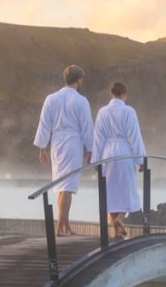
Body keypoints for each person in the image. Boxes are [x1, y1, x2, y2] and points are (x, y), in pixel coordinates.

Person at [33, 65, 94, 237]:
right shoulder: (81, 101)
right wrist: (91, 149)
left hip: (57, 143)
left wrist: (42, 148)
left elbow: (44, 124)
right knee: (67, 186)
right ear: (78, 80)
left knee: (62, 185)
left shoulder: (51, 98)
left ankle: (66, 226)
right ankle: (60, 227)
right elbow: (87, 127)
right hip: (73, 143)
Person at [92, 82, 146, 240]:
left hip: (107, 153)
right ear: (124, 95)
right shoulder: (129, 111)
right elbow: (134, 137)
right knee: (127, 188)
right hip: (124, 153)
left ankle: (115, 233)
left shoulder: (102, 112)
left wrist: (96, 160)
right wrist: (140, 159)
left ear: (112, 94)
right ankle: (120, 218)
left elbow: (98, 138)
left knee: (110, 191)